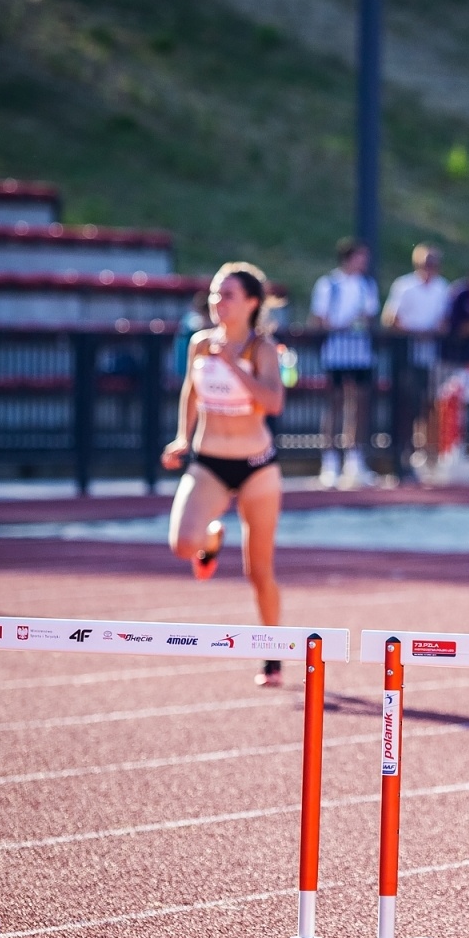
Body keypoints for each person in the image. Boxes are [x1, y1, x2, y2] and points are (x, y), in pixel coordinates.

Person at [161, 263, 288, 687]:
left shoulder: (262, 349)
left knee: (259, 571)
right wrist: (182, 436)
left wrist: (233, 365)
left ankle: (272, 656)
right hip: (209, 460)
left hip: (256, 466)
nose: (218, 301)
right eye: (215, 293)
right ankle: (213, 537)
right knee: (182, 545)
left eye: (228, 294)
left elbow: (273, 403)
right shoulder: (200, 343)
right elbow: (191, 390)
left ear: (252, 302)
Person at [310, 238, 379, 488]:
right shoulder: (329, 284)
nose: (364, 262)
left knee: (359, 403)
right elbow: (319, 319)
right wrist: (342, 326)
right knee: (335, 404)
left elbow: (369, 316)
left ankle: (355, 459)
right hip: (336, 353)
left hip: (360, 353)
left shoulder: (366, 285)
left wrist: (360, 324)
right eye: (360, 256)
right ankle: (329, 461)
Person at [383, 244, 453, 468]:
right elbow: (391, 318)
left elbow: (444, 321)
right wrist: (416, 333)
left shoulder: (442, 288)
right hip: (407, 356)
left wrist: (435, 332)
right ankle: (404, 450)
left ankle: (428, 449)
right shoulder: (404, 286)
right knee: (407, 404)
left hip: (431, 358)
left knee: (430, 403)